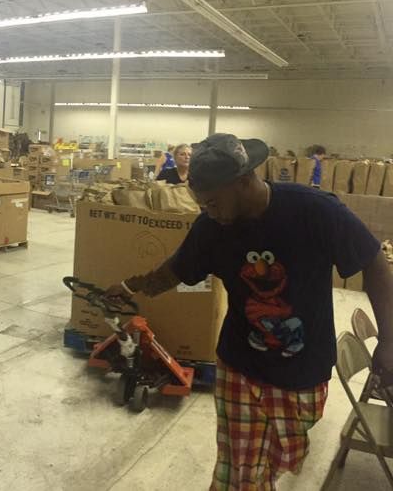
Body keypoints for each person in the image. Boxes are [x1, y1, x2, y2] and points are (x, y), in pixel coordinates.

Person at [105, 133, 393, 490]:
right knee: (238, 472)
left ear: (243, 181)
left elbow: (375, 262)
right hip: (239, 367)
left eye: (212, 202)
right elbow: (176, 270)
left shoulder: (315, 210)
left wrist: (389, 340)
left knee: (277, 463)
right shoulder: (212, 227)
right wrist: (133, 287)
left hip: (302, 372)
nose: (207, 211)